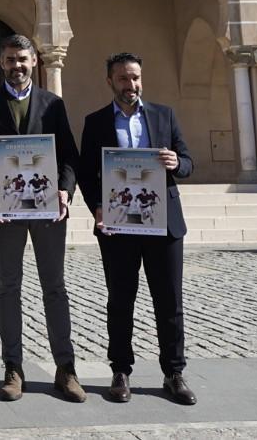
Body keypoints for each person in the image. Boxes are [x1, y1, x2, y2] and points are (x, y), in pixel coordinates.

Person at [0, 34, 86, 404]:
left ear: (34, 62)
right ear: (0, 63)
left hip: (48, 211)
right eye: (9, 59)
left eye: (22, 59)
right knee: (8, 288)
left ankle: (65, 369)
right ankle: (13, 368)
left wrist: (65, 190)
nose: (16, 65)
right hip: (6, 213)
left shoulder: (53, 104)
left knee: (55, 287)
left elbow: (68, 157)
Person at [78, 52, 196, 406]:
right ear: (110, 81)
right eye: (124, 79)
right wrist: (97, 206)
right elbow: (86, 173)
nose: (131, 85)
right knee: (120, 299)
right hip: (118, 225)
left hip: (164, 224)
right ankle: (121, 371)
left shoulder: (164, 115)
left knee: (170, 301)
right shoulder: (96, 121)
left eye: (136, 78)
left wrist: (177, 163)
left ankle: (174, 372)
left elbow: (189, 161)